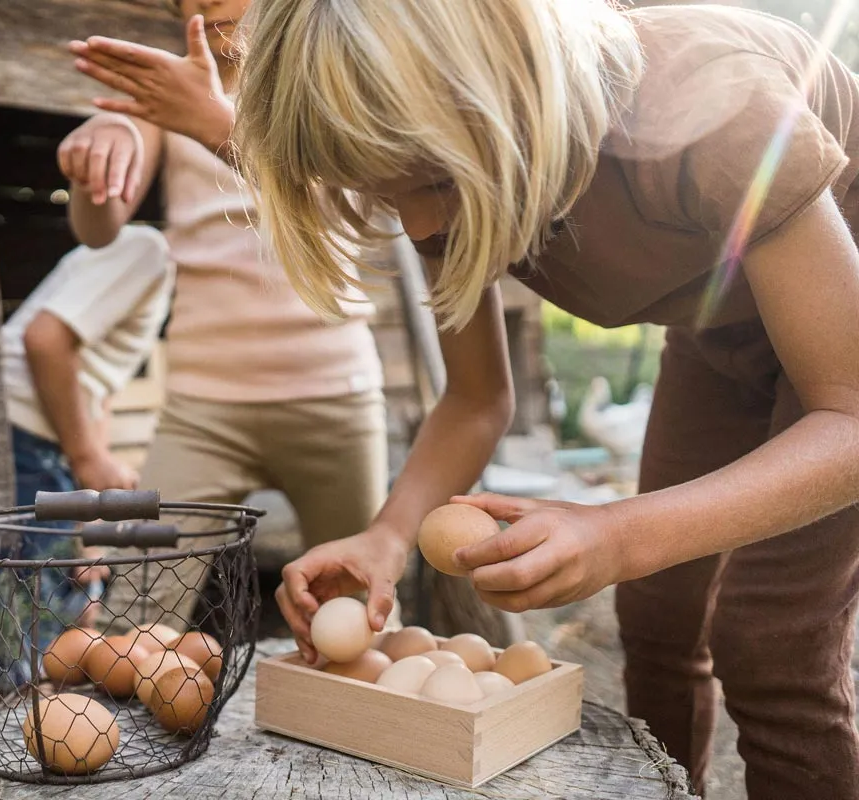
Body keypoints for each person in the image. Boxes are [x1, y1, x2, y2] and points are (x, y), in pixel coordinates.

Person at [204, 2, 859, 798]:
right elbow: (477, 399)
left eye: (433, 182)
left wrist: (617, 533)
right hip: (716, 327)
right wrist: (388, 536)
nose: (416, 224)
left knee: (768, 640)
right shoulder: (440, 176)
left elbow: (849, 414)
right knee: (655, 616)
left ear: (516, 100)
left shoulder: (719, 109)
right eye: (383, 193)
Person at [59, 0, 393, 635]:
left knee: (355, 611)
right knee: (133, 617)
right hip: (202, 408)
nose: (208, 2)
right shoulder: (171, 88)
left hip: (334, 399)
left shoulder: (330, 69)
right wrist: (93, 167)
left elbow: (333, 198)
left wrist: (210, 120)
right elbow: (97, 229)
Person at [0, 224, 174, 681]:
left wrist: (90, 515)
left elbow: (95, 391)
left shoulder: (142, 271)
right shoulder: (147, 252)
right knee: (34, 612)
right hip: (27, 432)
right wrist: (84, 455)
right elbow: (45, 341)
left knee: (64, 590)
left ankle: (42, 707)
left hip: (42, 436)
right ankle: (23, 724)